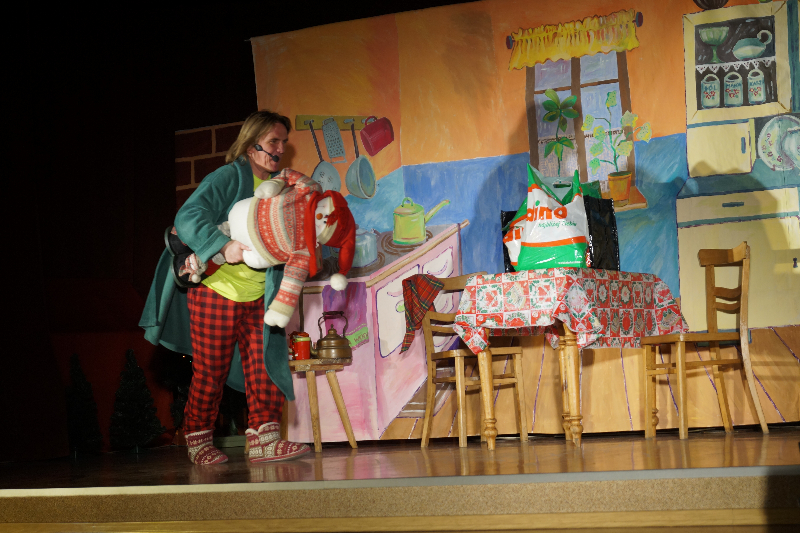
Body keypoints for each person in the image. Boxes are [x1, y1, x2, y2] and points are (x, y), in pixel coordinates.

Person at [141, 110, 312, 465]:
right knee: (211, 370)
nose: (281, 149)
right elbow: (188, 216)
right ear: (251, 146)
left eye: (284, 142)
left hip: (261, 294)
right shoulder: (228, 176)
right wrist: (222, 245)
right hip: (217, 289)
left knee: (266, 366)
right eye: (273, 142)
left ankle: (265, 440)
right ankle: (198, 438)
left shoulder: (279, 186)